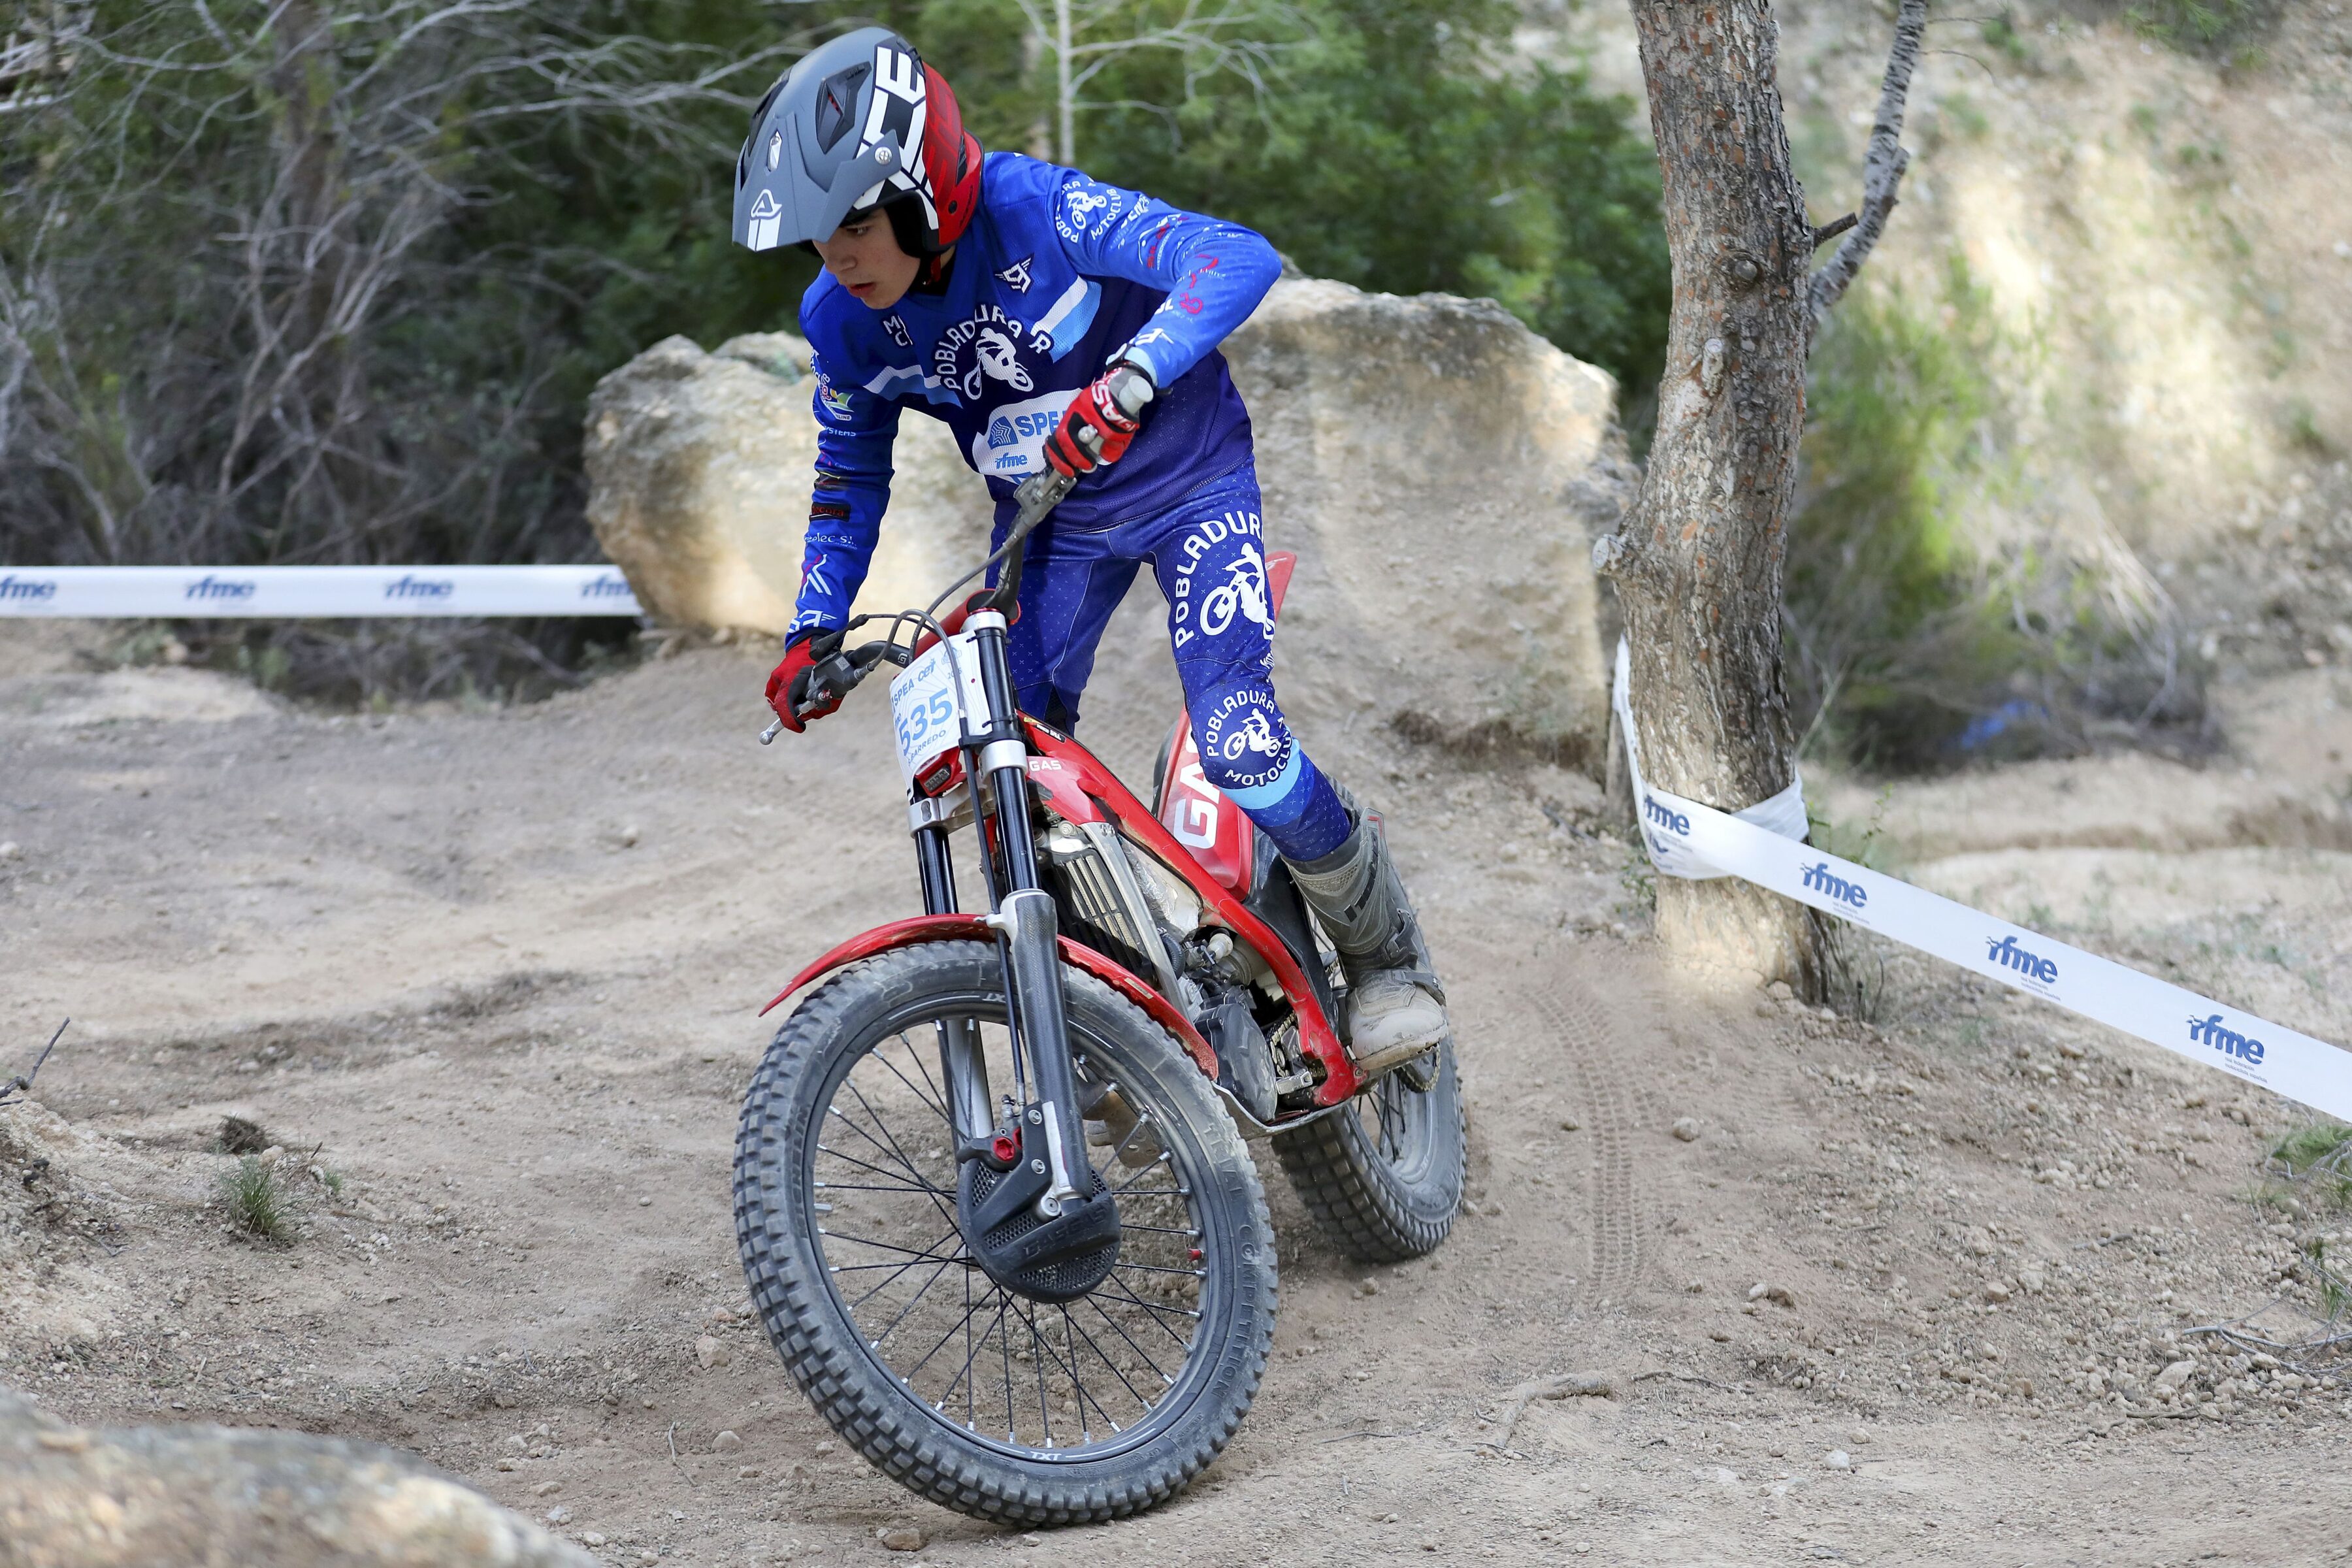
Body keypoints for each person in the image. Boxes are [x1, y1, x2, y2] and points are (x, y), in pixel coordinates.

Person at [735, 27, 1446, 1073]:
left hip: (1191, 483)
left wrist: (1135, 375)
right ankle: (1113, 1012)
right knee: (1002, 771)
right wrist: (813, 627)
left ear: (925, 194)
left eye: (856, 222)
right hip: (1049, 527)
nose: (837, 254)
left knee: (1240, 742)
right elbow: (847, 475)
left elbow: (1236, 256)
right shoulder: (841, 322)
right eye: (816, 236)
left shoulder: (1040, 210)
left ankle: (1387, 962)